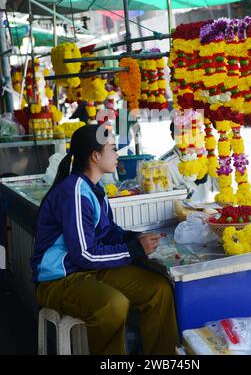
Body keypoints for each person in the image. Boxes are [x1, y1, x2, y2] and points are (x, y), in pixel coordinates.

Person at [31, 124, 179, 355]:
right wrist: (133, 250)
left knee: (158, 290)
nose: (117, 154)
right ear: (95, 155)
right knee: (112, 305)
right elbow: (85, 253)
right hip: (59, 279)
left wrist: (133, 237)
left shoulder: (95, 187)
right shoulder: (74, 193)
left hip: (89, 269)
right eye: (112, 149)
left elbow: (107, 231)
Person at [159, 121, 213, 203]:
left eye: (192, 133)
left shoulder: (205, 156)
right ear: (173, 136)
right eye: (182, 134)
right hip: (178, 213)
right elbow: (165, 198)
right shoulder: (164, 164)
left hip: (206, 211)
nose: (187, 137)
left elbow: (217, 186)